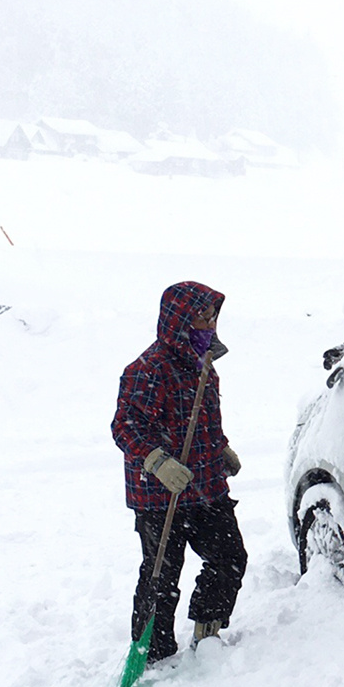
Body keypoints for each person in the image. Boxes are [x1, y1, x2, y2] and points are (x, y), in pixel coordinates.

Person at [112, 281, 247, 665]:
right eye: (202, 314)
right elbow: (125, 426)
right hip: (160, 496)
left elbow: (200, 421)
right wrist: (157, 461)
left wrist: (220, 449)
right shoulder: (147, 369)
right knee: (161, 576)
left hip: (205, 489)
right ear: (180, 319)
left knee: (230, 557)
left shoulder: (205, 367)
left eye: (212, 315)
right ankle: (151, 651)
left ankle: (208, 628)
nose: (210, 321)